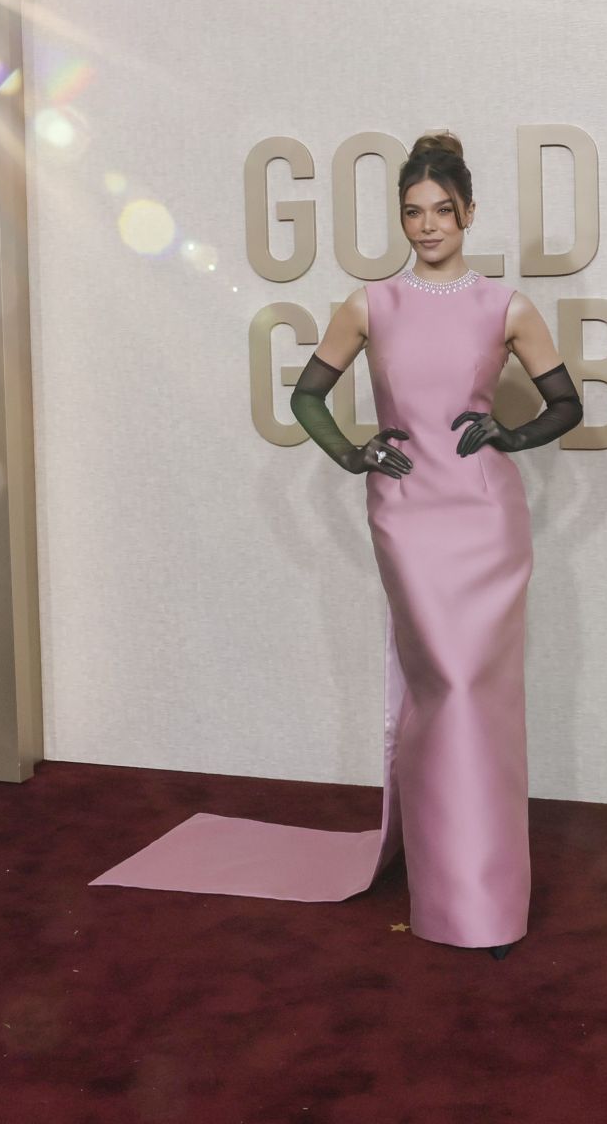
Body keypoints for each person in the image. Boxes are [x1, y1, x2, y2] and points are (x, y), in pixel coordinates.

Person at [93, 132, 581, 957]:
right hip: (406, 513)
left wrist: (510, 433)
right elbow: (308, 395)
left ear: (468, 213)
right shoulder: (369, 304)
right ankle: (449, 889)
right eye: (413, 213)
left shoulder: (506, 307)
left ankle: (488, 898)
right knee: (445, 688)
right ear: (402, 219)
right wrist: (354, 452)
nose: (427, 226)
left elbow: (566, 404)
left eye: (442, 211)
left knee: (482, 697)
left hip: (486, 518)